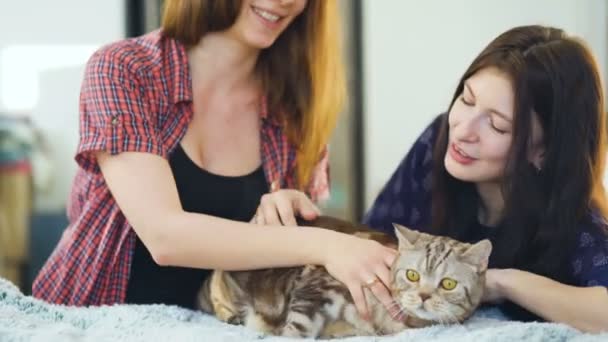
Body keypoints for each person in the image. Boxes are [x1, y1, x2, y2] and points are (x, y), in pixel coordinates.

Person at [33, 0, 399, 320]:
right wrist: (325, 243)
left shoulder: (296, 110)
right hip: (89, 321)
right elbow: (164, 236)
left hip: (214, 326)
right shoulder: (124, 69)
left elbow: (282, 270)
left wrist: (291, 210)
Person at [362, 25, 608, 333]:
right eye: (466, 99)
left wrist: (501, 282)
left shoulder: (576, 218)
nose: (462, 131)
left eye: (496, 125)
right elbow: (373, 241)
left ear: (544, 152)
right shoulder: (436, 143)